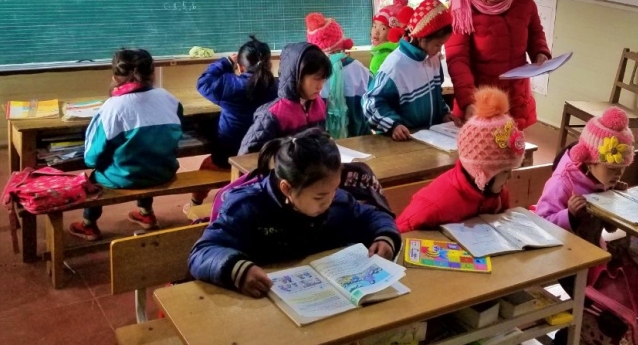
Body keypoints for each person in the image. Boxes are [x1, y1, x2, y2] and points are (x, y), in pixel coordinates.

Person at [189, 128, 400, 297]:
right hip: (264, 302)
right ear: (286, 189)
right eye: (319, 196)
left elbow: (370, 215)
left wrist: (385, 236)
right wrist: (238, 271)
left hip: (323, 295)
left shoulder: (337, 200)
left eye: (335, 189)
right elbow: (202, 252)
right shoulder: (247, 207)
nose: (330, 200)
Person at [68, 49, 182, 241]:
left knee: (95, 177)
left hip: (125, 177)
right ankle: (146, 214)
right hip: (164, 171)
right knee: (146, 157)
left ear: (114, 77)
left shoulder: (112, 107)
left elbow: (91, 158)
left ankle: (88, 225)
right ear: (152, 73)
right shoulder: (169, 98)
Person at [446, 0, 550, 130]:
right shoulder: (463, 8)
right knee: (481, 146)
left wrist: (540, 52)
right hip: (481, 97)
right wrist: (469, 101)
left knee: (513, 144)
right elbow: (457, 58)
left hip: (516, 93)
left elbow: (535, 31)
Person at [395, 87, 525, 232]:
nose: (510, 177)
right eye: (505, 171)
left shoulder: (497, 194)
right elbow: (401, 232)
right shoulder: (433, 204)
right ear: (481, 171)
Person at [535, 107, 633, 247]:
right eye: (612, 168)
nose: (618, 174)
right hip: (564, 252)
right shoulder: (561, 183)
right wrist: (569, 214)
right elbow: (540, 223)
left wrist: (614, 198)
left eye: (622, 168)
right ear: (589, 162)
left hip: (593, 248)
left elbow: (609, 228)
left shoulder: (602, 179)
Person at [363, 0, 459, 141]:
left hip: (431, 138)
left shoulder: (433, 59)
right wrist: (393, 125)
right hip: (404, 141)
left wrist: (444, 113)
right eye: (438, 45)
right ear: (421, 38)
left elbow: (436, 95)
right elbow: (370, 102)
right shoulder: (395, 66)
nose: (439, 50)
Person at [196, 36, 277, 169]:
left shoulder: (230, 85)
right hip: (265, 154)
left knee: (206, 156)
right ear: (270, 64)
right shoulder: (279, 87)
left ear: (240, 67)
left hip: (229, 155)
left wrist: (226, 62)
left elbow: (203, 82)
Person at [238, 42, 330, 154]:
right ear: (297, 76)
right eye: (316, 78)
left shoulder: (320, 104)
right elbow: (246, 155)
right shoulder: (272, 115)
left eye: (324, 79)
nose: (321, 86)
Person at [304, 13, 371, 139]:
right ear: (342, 42)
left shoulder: (310, 74)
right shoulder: (359, 68)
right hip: (359, 139)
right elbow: (375, 100)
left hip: (322, 141)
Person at [370, 0, 413, 75]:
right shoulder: (380, 51)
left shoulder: (384, 56)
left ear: (394, 32)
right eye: (374, 26)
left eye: (383, 28)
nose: (376, 32)